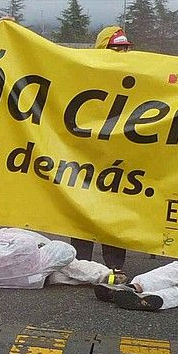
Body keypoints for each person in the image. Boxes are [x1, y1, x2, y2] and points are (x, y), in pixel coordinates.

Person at [70, 26, 132, 271]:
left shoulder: (138, 74)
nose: (122, 51)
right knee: (83, 207)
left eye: (125, 47)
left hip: (120, 155)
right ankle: (82, 265)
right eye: (117, 47)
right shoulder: (86, 73)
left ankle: (115, 265)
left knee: (115, 210)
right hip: (88, 152)